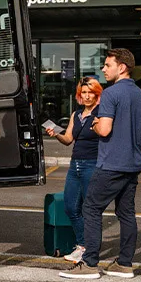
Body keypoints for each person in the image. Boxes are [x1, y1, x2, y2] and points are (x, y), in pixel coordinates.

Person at [60, 48, 141, 280]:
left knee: (91, 208)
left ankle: (90, 263)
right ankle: (124, 264)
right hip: (133, 164)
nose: (103, 69)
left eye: (107, 65)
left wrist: (95, 124)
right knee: (126, 213)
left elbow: (104, 129)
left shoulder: (111, 94)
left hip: (111, 163)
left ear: (122, 67)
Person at [46, 78, 102, 263]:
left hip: (92, 164)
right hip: (75, 165)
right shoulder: (76, 114)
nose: (87, 96)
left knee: (90, 210)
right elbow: (68, 139)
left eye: (90, 92)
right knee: (70, 207)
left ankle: (89, 250)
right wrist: (56, 133)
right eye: (84, 92)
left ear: (97, 94)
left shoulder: (101, 113)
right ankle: (83, 245)